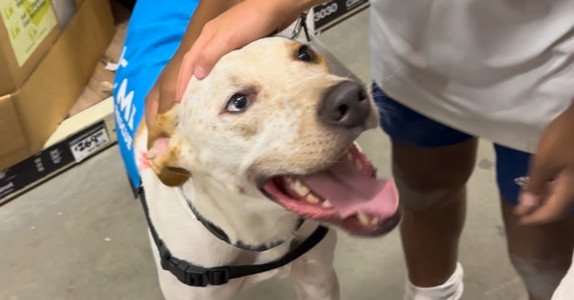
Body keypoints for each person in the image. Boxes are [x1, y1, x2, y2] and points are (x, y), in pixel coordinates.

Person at [135, 0, 574, 299]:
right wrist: (192, 49)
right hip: (415, 59)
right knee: (423, 190)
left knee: (539, 250)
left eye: (304, 57)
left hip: (550, 85)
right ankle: (432, 293)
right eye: (239, 102)